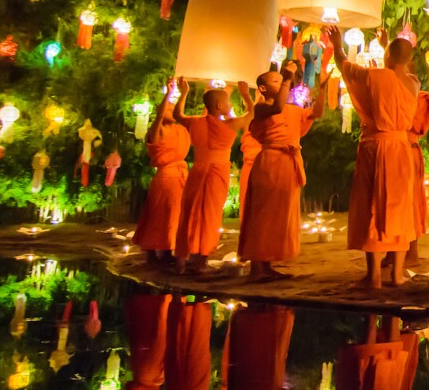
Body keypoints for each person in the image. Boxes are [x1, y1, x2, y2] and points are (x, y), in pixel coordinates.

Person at [330, 28, 421, 288]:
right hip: (401, 147)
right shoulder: (413, 82)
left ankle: (374, 276)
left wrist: (338, 44)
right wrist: (386, 46)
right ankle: (397, 274)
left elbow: (343, 64)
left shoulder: (376, 76)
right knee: (398, 208)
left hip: (377, 145)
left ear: (387, 56)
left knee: (373, 205)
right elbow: (401, 64)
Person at [238, 65, 320, 281]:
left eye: (282, 80)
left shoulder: (292, 109)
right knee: (263, 214)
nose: (283, 82)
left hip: (288, 163)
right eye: (276, 81)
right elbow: (277, 108)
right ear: (262, 88)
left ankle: (268, 264)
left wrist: (323, 88)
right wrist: (287, 77)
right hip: (270, 161)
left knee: (279, 215)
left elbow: (316, 113)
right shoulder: (262, 108)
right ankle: (257, 267)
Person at [172, 79, 253, 274]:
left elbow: (177, 115)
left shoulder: (195, 122)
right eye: (228, 102)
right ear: (219, 106)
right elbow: (252, 115)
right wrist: (246, 95)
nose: (231, 105)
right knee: (210, 215)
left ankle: (182, 261)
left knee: (190, 213)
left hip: (198, 169)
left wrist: (184, 93)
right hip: (217, 171)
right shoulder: (231, 124)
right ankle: (201, 261)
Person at [133, 80, 191, 266]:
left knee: (174, 215)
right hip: (166, 177)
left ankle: (167, 249)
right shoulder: (157, 131)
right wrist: (169, 93)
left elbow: (183, 115)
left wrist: (184, 93)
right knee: (158, 214)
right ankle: (150, 251)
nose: (171, 110)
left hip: (180, 176)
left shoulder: (180, 129)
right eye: (168, 108)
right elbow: (159, 114)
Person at [407, 89, 429, 265]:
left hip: (408, 150)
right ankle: (392, 251)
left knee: (411, 202)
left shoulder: (419, 98)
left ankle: (411, 252)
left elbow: (415, 125)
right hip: (393, 149)